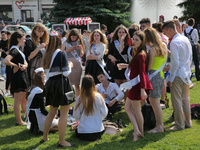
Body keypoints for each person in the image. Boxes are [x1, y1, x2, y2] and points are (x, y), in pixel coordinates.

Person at [41, 32, 75, 147]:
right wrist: (70, 65)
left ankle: (45, 137)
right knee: (64, 113)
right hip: (61, 83)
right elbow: (66, 72)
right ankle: (61, 141)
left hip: (50, 83)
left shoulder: (46, 54)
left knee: (52, 112)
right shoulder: (61, 54)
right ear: (60, 43)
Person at [119, 31, 152, 141]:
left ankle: (139, 132)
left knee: (136, 110)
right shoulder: (137, 52)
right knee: (128, 108)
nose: (134, 41)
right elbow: (136, 67)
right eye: (133, 39)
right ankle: (138, 131)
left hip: (137, 86)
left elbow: (142, 72)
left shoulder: (141, 54)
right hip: (133, 85)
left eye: (137, 39)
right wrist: (126, 65)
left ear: (142, 42)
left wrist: (143, 90)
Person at [162, 20, 192, 130]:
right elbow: (189, 57)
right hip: (186, 72)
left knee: (177, 101)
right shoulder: (185, 39)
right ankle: (187, 122)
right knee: (185, 99)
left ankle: (179, 125)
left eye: (165, 32)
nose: (165, 34)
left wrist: (171, 78)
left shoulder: (174, 42)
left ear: (170, 29)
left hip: (178, 74)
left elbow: (175, 62)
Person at [3, 31, 29, 126]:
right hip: (18, 77)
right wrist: (15, 66)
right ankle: (19, 121)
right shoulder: (14, 49)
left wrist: (24, 66)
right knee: (18, 100)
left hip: (22, 75)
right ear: (18, 39)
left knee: (24, 99)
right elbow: (6, 61)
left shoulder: (19, 49)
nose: (25, 40)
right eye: (24, 38)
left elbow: (25, 61)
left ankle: (26, 116)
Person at [144, 27, 167, 133]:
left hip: (154, 75)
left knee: (155, 102)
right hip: (161, 75)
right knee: (155, 102)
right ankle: (160, 124)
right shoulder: (163, 45)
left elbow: (149, 67)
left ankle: (159, 126)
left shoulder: (153, 49)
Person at [73, 75, 108, 141]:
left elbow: (76, 115)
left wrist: (82, 120)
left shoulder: (79, 98)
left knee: (76, 129)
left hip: (83, 133)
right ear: (93, 84)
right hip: (98, 131)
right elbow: (104, 112)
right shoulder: (99, 96)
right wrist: (98, 119)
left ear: (82, 85)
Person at [26, 68, 58, 134]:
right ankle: (40, 128)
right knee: (59, 126)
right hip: (37, 116)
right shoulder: (39, 92)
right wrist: (51, 115)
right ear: (41, 80)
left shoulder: (31, 88)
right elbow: (43, 110)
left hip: (31, 114)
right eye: (44, 79)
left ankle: (36, 127)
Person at [64, 28, 84, 97]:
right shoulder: (66, 42)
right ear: (70, 36)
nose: (74, 39)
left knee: (77, 84)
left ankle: (78, 99)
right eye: (73, 37)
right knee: (68, 84)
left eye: (76, 37)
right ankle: (69, 100)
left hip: (77, 65)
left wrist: (80, 49)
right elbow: (62, 53)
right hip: (69, 64)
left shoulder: (79, 42)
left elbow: (81, 55)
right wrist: (70, 49)